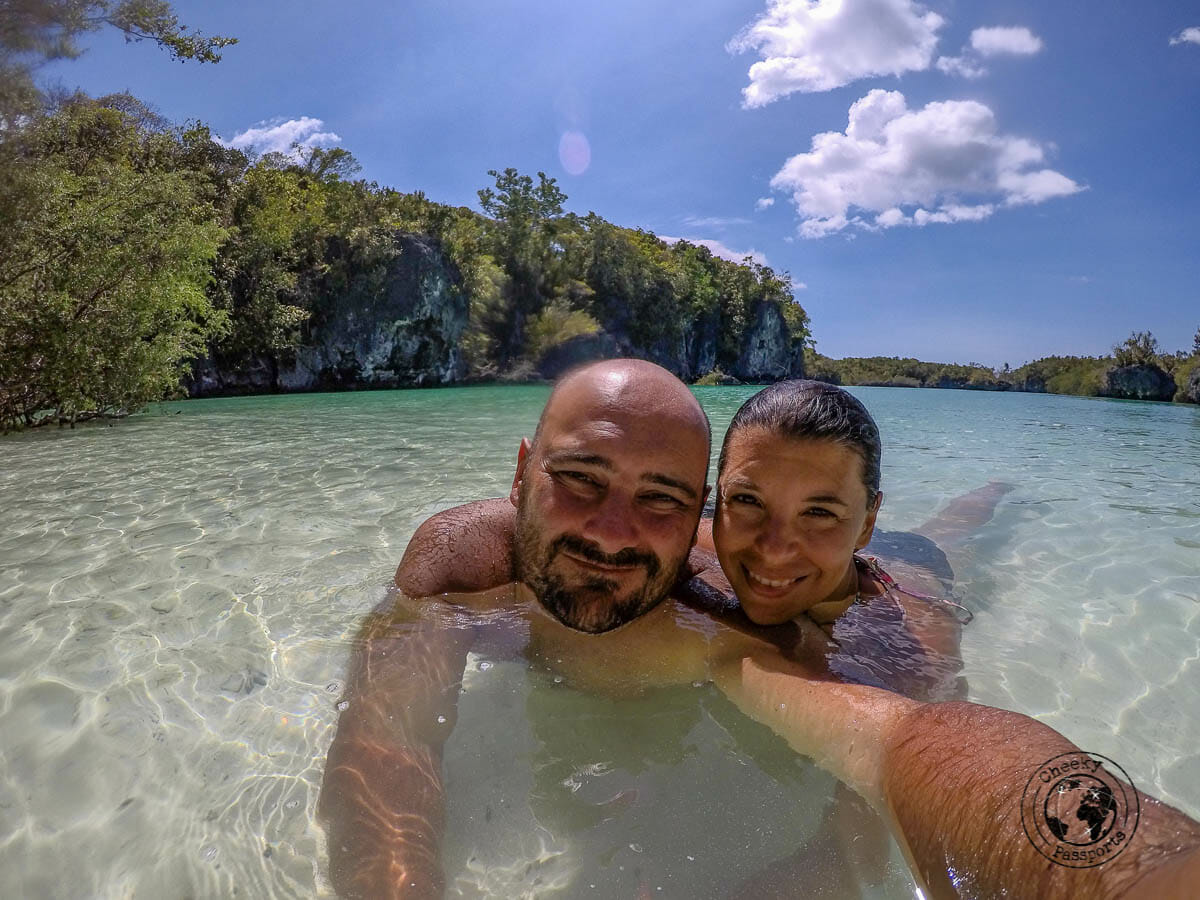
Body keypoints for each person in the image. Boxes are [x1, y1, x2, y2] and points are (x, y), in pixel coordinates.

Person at [318, 359, 1200, 899]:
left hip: (904, 571)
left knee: (956, 534)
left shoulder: (791, 625)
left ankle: (992, 492)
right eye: (581, 478)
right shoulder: (469, 558)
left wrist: (1132, 865)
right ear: (521, 472)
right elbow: (384, 739)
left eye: (659, 498)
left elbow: (910, 749)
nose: (616, 532)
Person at [688, 379, 1013, 701]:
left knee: (948, 533)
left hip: (913, 562)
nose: (774, 550)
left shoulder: (918, 647)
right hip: (845, 552)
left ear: (867, 522)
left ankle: (997, 487)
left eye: (818, 512)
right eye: (748, 500)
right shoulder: (701, 537)